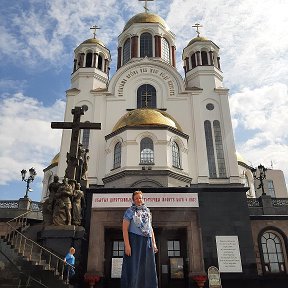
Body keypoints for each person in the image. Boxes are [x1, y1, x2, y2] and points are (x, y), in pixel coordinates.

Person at [121, 191, 158, 288]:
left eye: (140, 198)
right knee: (134, 266)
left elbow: (150, 228)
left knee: (147, 267)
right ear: (133, 200)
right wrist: (127, 245)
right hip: (134, 241)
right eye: (136, 198)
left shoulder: (147, 211)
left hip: (147, 241)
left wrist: (154, 244)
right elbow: (124, 229)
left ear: (143, 199)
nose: (139, 200)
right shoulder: (129, 211)